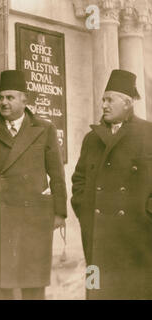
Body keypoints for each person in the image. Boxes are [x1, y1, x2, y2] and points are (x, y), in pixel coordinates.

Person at [0, 70, 67, 300]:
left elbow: (56, 173)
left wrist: (59, 212)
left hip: (34, 218)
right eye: (1, 97)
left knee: (33, 283)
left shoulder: (44, 128)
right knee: (0, 285)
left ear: (24, 99)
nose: (4, 102)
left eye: (10, 97)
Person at [71, 69, 152, 299]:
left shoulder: (149, 133)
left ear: (127, 103)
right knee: (99, 291)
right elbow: (79, 179)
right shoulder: (92, 138)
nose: (103, 105)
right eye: (103, 100)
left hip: (138, 236)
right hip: (97, 237)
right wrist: (85, 210)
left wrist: (147, 214)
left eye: (109, 100)